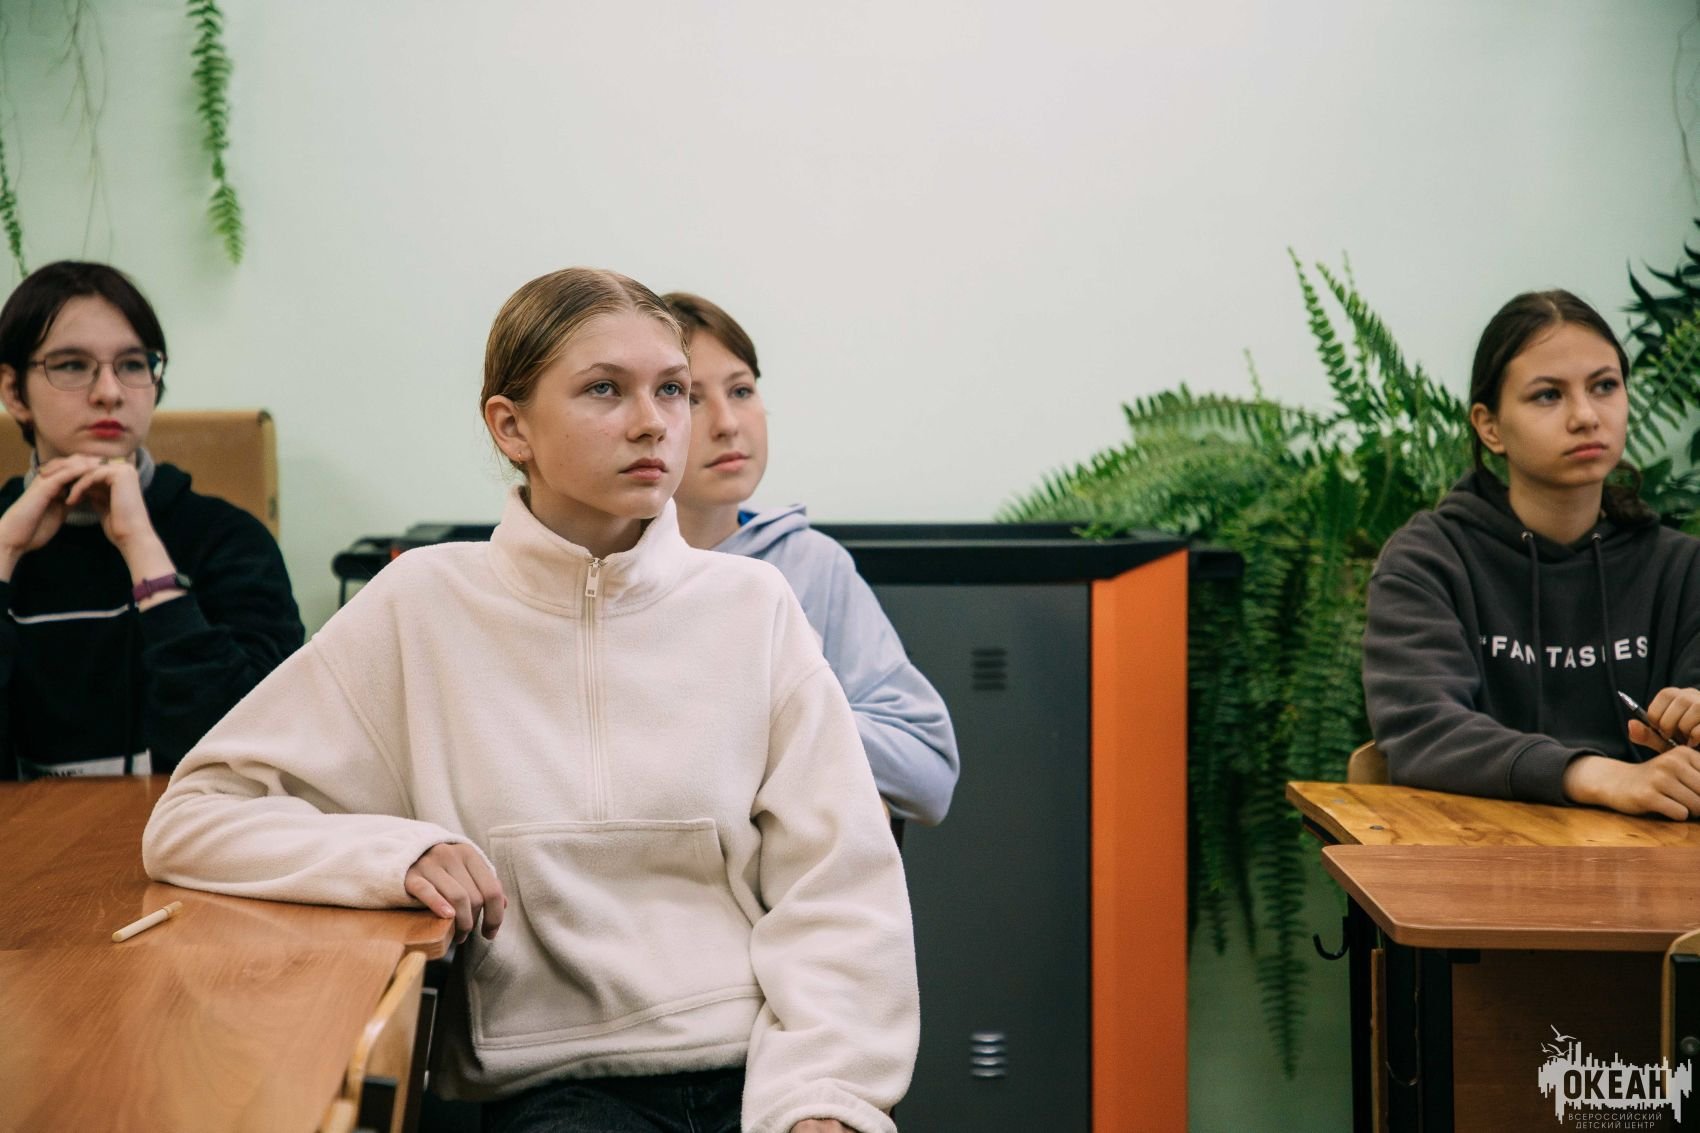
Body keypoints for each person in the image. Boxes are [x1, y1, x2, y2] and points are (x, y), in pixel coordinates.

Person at [143, 268, 918, 1133]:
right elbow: (197, 816)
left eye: (671, 389)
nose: (654, 421)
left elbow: (840, 891)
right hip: (557, 1089)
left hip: (767, 1071)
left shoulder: (754, 607)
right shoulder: (422, 604)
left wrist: (825, 1100)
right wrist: (396, 852)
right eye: (604, 389)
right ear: (511, 426)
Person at [1363, 289, 1700, 819]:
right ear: (1489, 426)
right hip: (1468, 854)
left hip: (1651, 859)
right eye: (1548, 395)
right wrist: (1597, 775)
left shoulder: (1683, 571)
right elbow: (1423, 729)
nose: (1586, 416)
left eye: (1605, 386)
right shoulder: (1428, 562)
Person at [662, 291, 959, 826]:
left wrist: (778, 715)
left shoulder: (811, 565)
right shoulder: (599, 570)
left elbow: (927, 770)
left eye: (742, 390)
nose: (728, 423)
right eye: (691, 398)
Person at [0, 260, 302, 779]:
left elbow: (256, 748)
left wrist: (142, 550)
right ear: (13, 392)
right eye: (71, 365)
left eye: (133, 364)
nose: (110, 392)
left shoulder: (228, 539)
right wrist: (4, 552)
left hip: (183, 825)